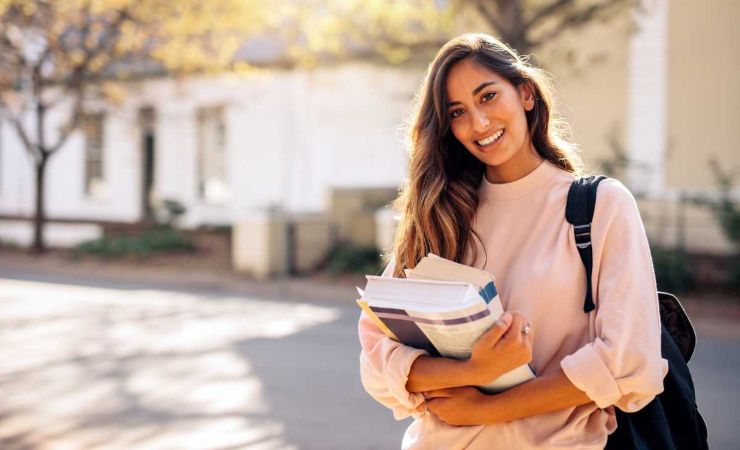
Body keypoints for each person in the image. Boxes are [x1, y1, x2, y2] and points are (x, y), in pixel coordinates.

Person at [357, 33, 668, 449]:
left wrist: (484, 409)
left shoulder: (599, 206)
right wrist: (475, 370)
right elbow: (377, 361)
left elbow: (628, 364)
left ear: (525, 93)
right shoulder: (441, 215)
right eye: (457, 112)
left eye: (487, 97)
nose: (479, 124)